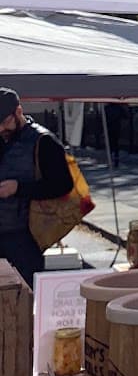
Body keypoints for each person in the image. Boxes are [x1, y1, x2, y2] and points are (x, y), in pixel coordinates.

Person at [0, 90, 72, 288]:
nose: (1, 129)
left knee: (26, 295)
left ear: (18, 111)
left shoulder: (44, 141)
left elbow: (62, 185)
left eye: (4, 122)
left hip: (23, 238)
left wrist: (19, 188)